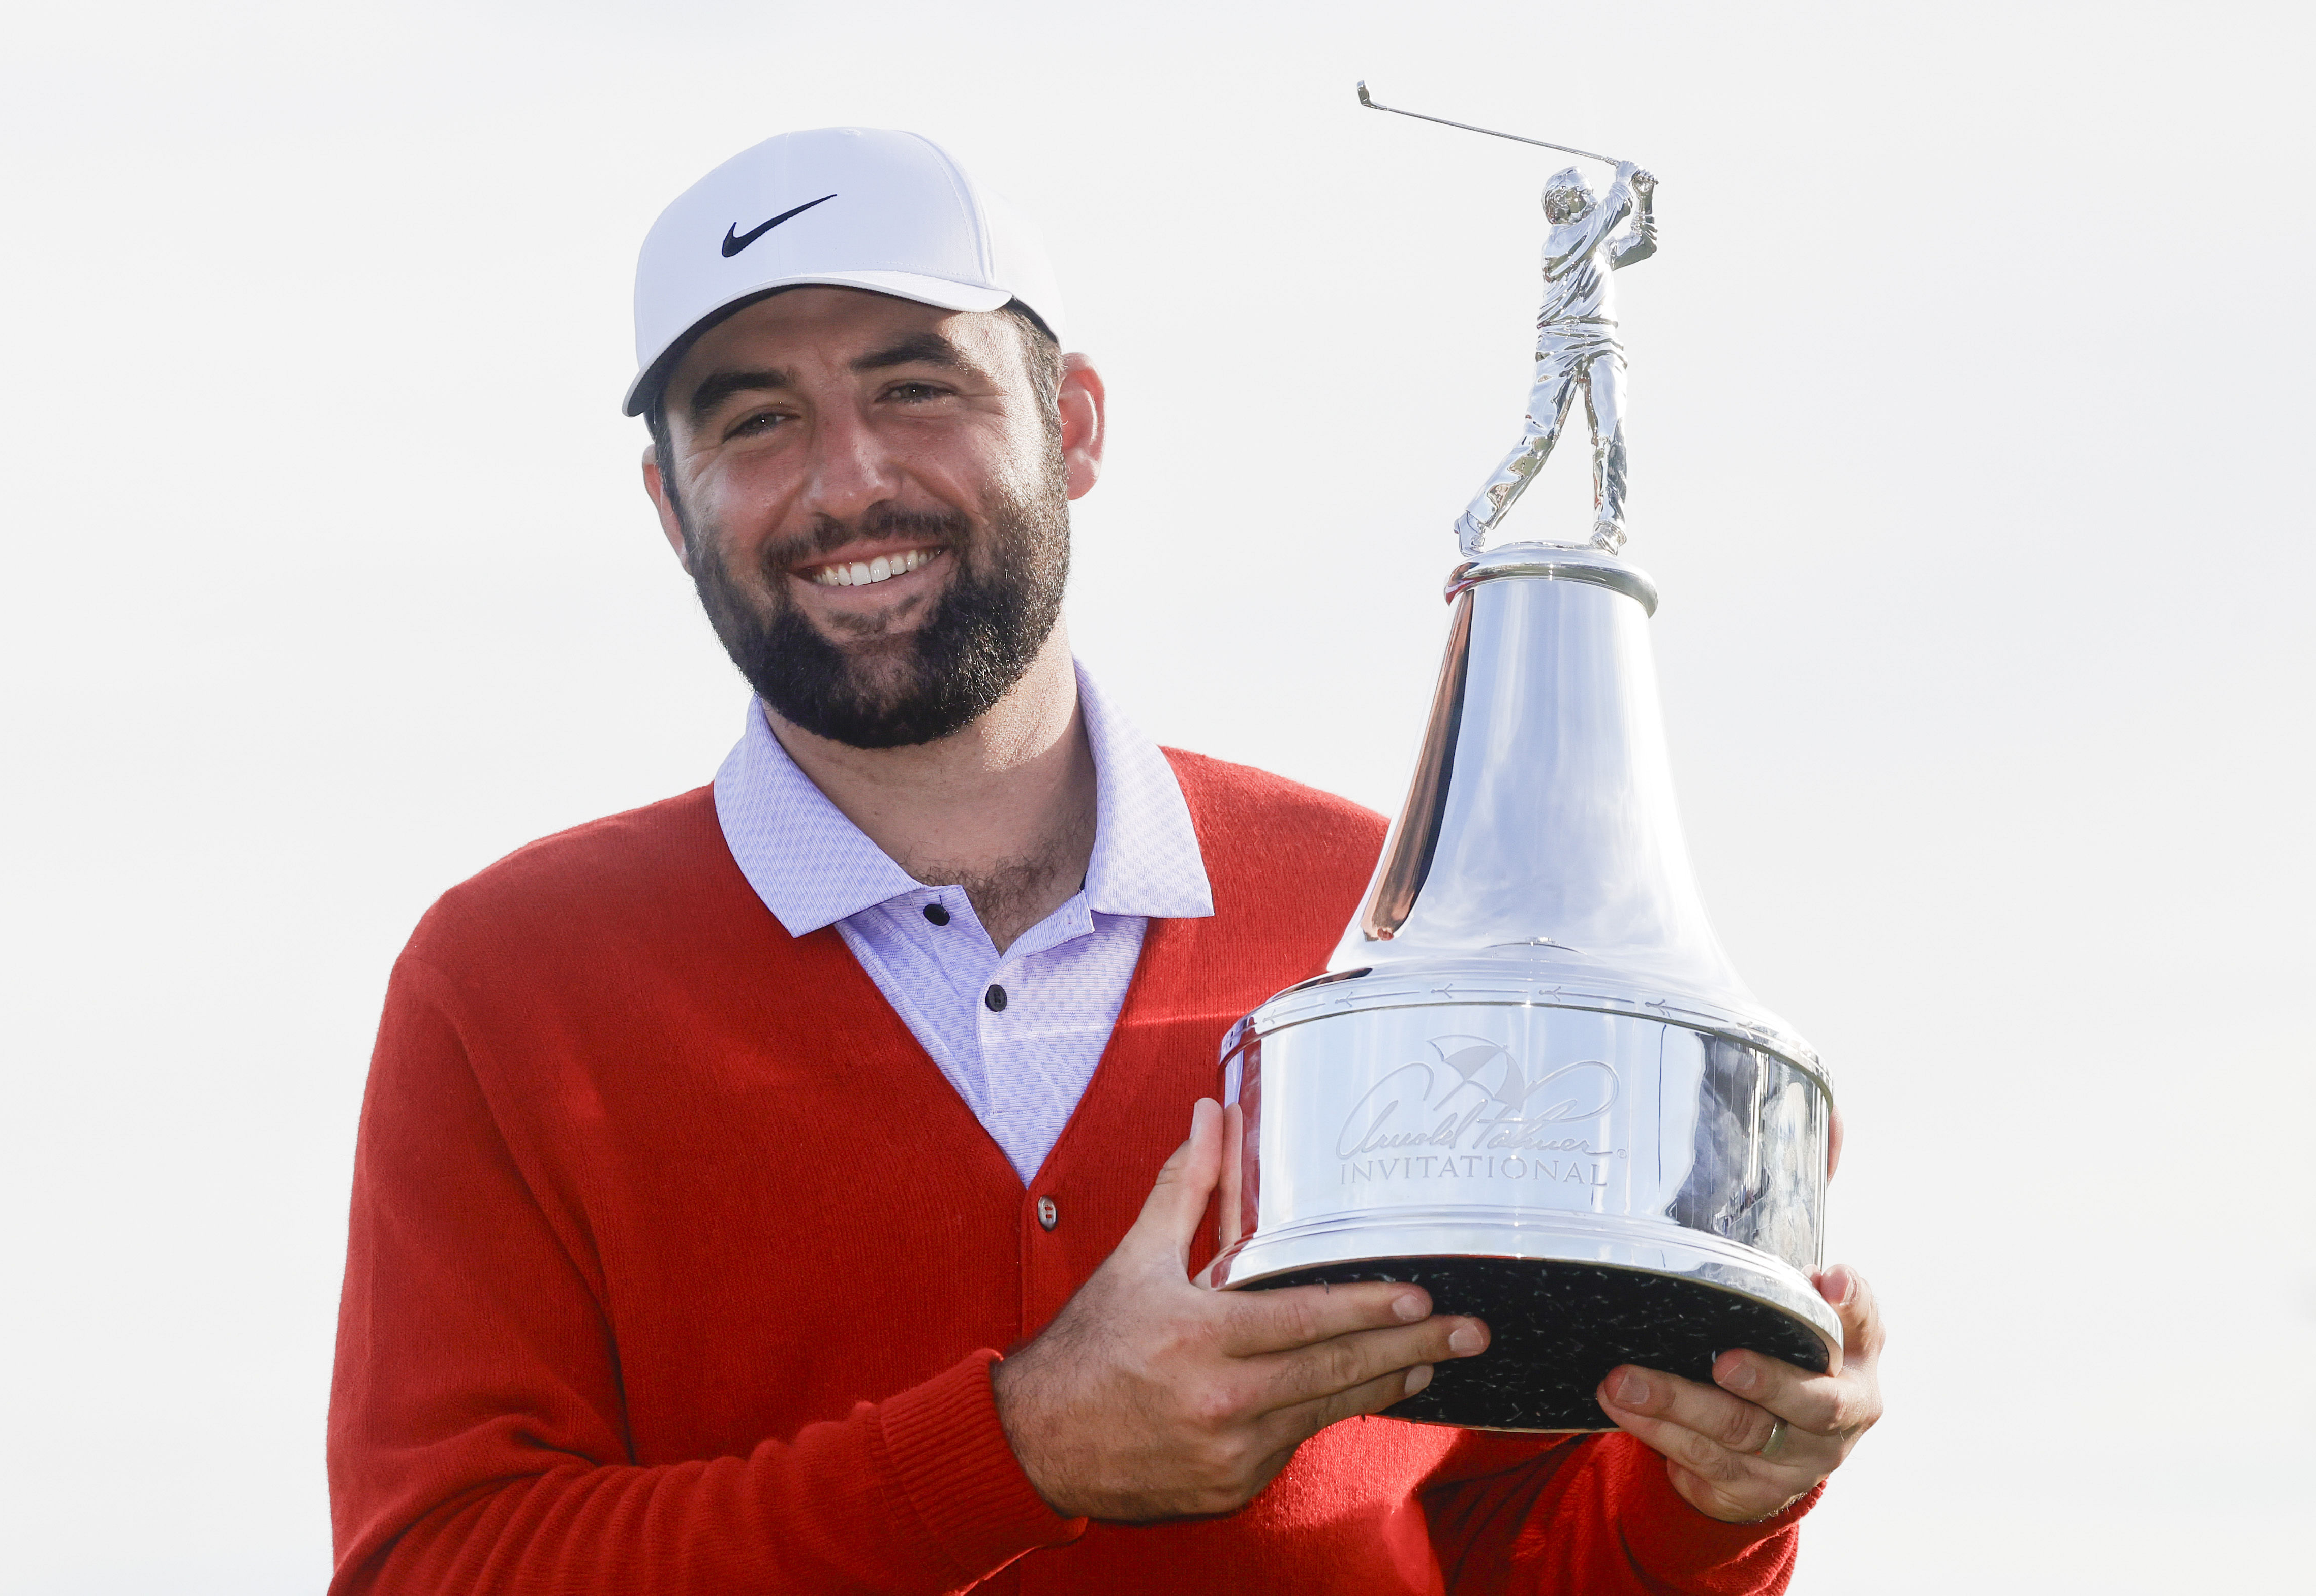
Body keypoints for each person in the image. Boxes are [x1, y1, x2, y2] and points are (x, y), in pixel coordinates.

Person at [326, 126, 1882, 1596]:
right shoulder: (512, 981)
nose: (847, 478)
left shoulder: (1388, 930)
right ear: (671, 506)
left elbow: (1487, 1545)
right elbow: (439, 1566)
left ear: (1070, 426)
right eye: (754, 419)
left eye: (918, 387)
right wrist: (1018, 1450)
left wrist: (1707, 1502)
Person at [1454, 161, 1659, 555]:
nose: (1590, 196)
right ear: (1562, 205)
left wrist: (1645, 197)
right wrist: (1623, 182)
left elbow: (1643, 244)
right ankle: (1475, 517)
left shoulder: (1594, 242)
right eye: (1582, 193)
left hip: (1602, 340)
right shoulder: (1561, 242)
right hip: (1560, 345)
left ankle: (1609, 525)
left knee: (1610, 432)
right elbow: (1614, 211)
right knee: (1539, 437)